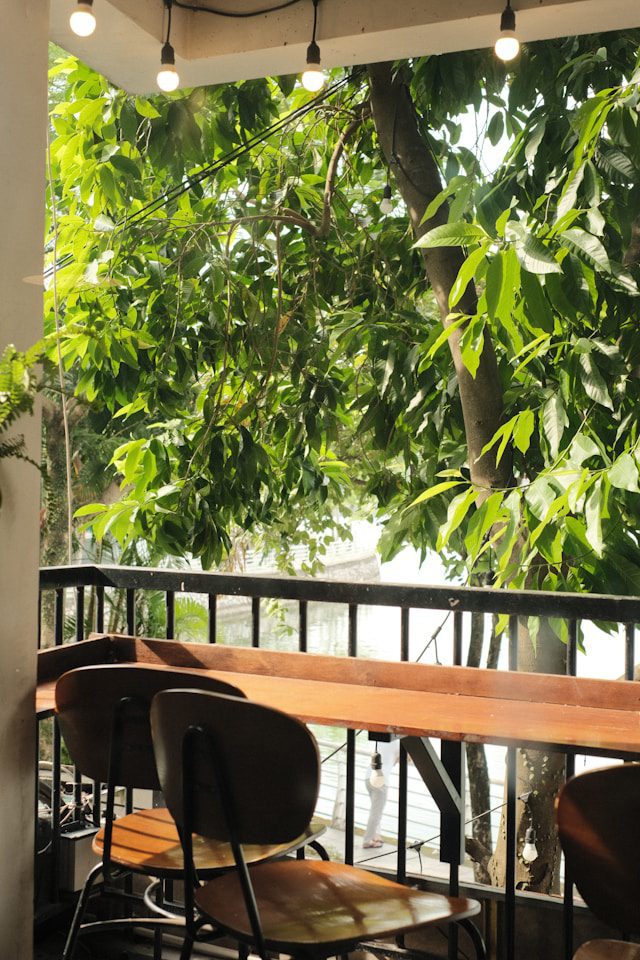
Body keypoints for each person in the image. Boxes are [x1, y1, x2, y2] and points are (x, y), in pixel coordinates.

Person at [363, 737, 400, 849]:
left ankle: (375, 835)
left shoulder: (380, 740)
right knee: (376, 813)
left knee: (375, 810)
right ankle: (367, 840)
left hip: (369, 776)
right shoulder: (398, 743)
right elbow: (408, 759)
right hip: (381, 780)